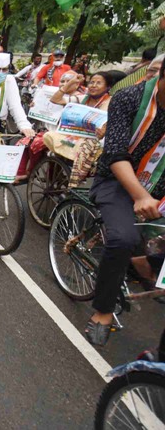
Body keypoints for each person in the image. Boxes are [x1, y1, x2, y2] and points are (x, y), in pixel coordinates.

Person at [84, 54, 165, 346]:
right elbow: (116, 153)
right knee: (122, 238)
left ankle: (146, 262)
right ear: (161, 78)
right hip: (116, 180)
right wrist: (141, 196)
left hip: (160, 186)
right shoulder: (129, 97)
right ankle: (102, 310)